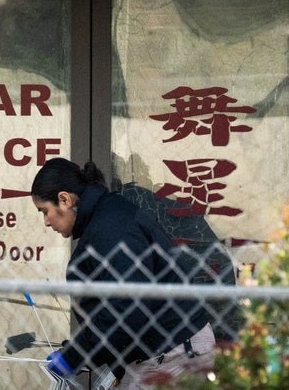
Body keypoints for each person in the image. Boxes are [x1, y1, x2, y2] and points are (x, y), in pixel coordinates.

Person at [31, 157, 214, 389]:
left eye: (44, 211)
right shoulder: (105, 219)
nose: (46, 222)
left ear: (64, 199)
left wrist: (73, 356)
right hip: (161, 351)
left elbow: (125, 309)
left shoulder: (111, 228)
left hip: (172, 353)